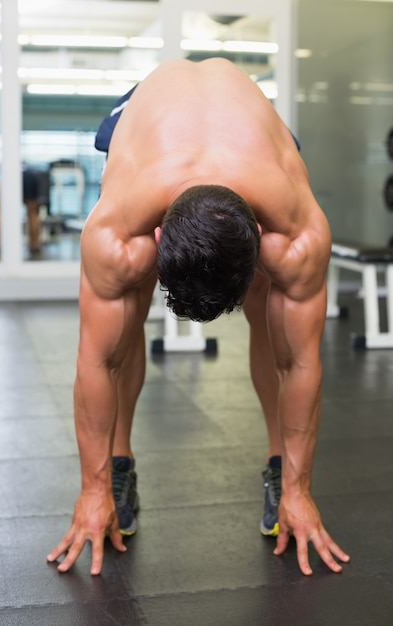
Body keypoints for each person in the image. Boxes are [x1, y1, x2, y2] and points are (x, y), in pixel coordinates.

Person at [46, 58, 351, 577]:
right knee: (126, 301)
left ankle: (282, 472)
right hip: (147, 120)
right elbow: (97, 362)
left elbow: (300, 363)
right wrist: (92, 489)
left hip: (254, 129)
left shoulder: (297, 235)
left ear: (259, 234)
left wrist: (301, 489)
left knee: (273, 317)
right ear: (159, 237)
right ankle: (119, 466)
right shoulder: (119, 235)